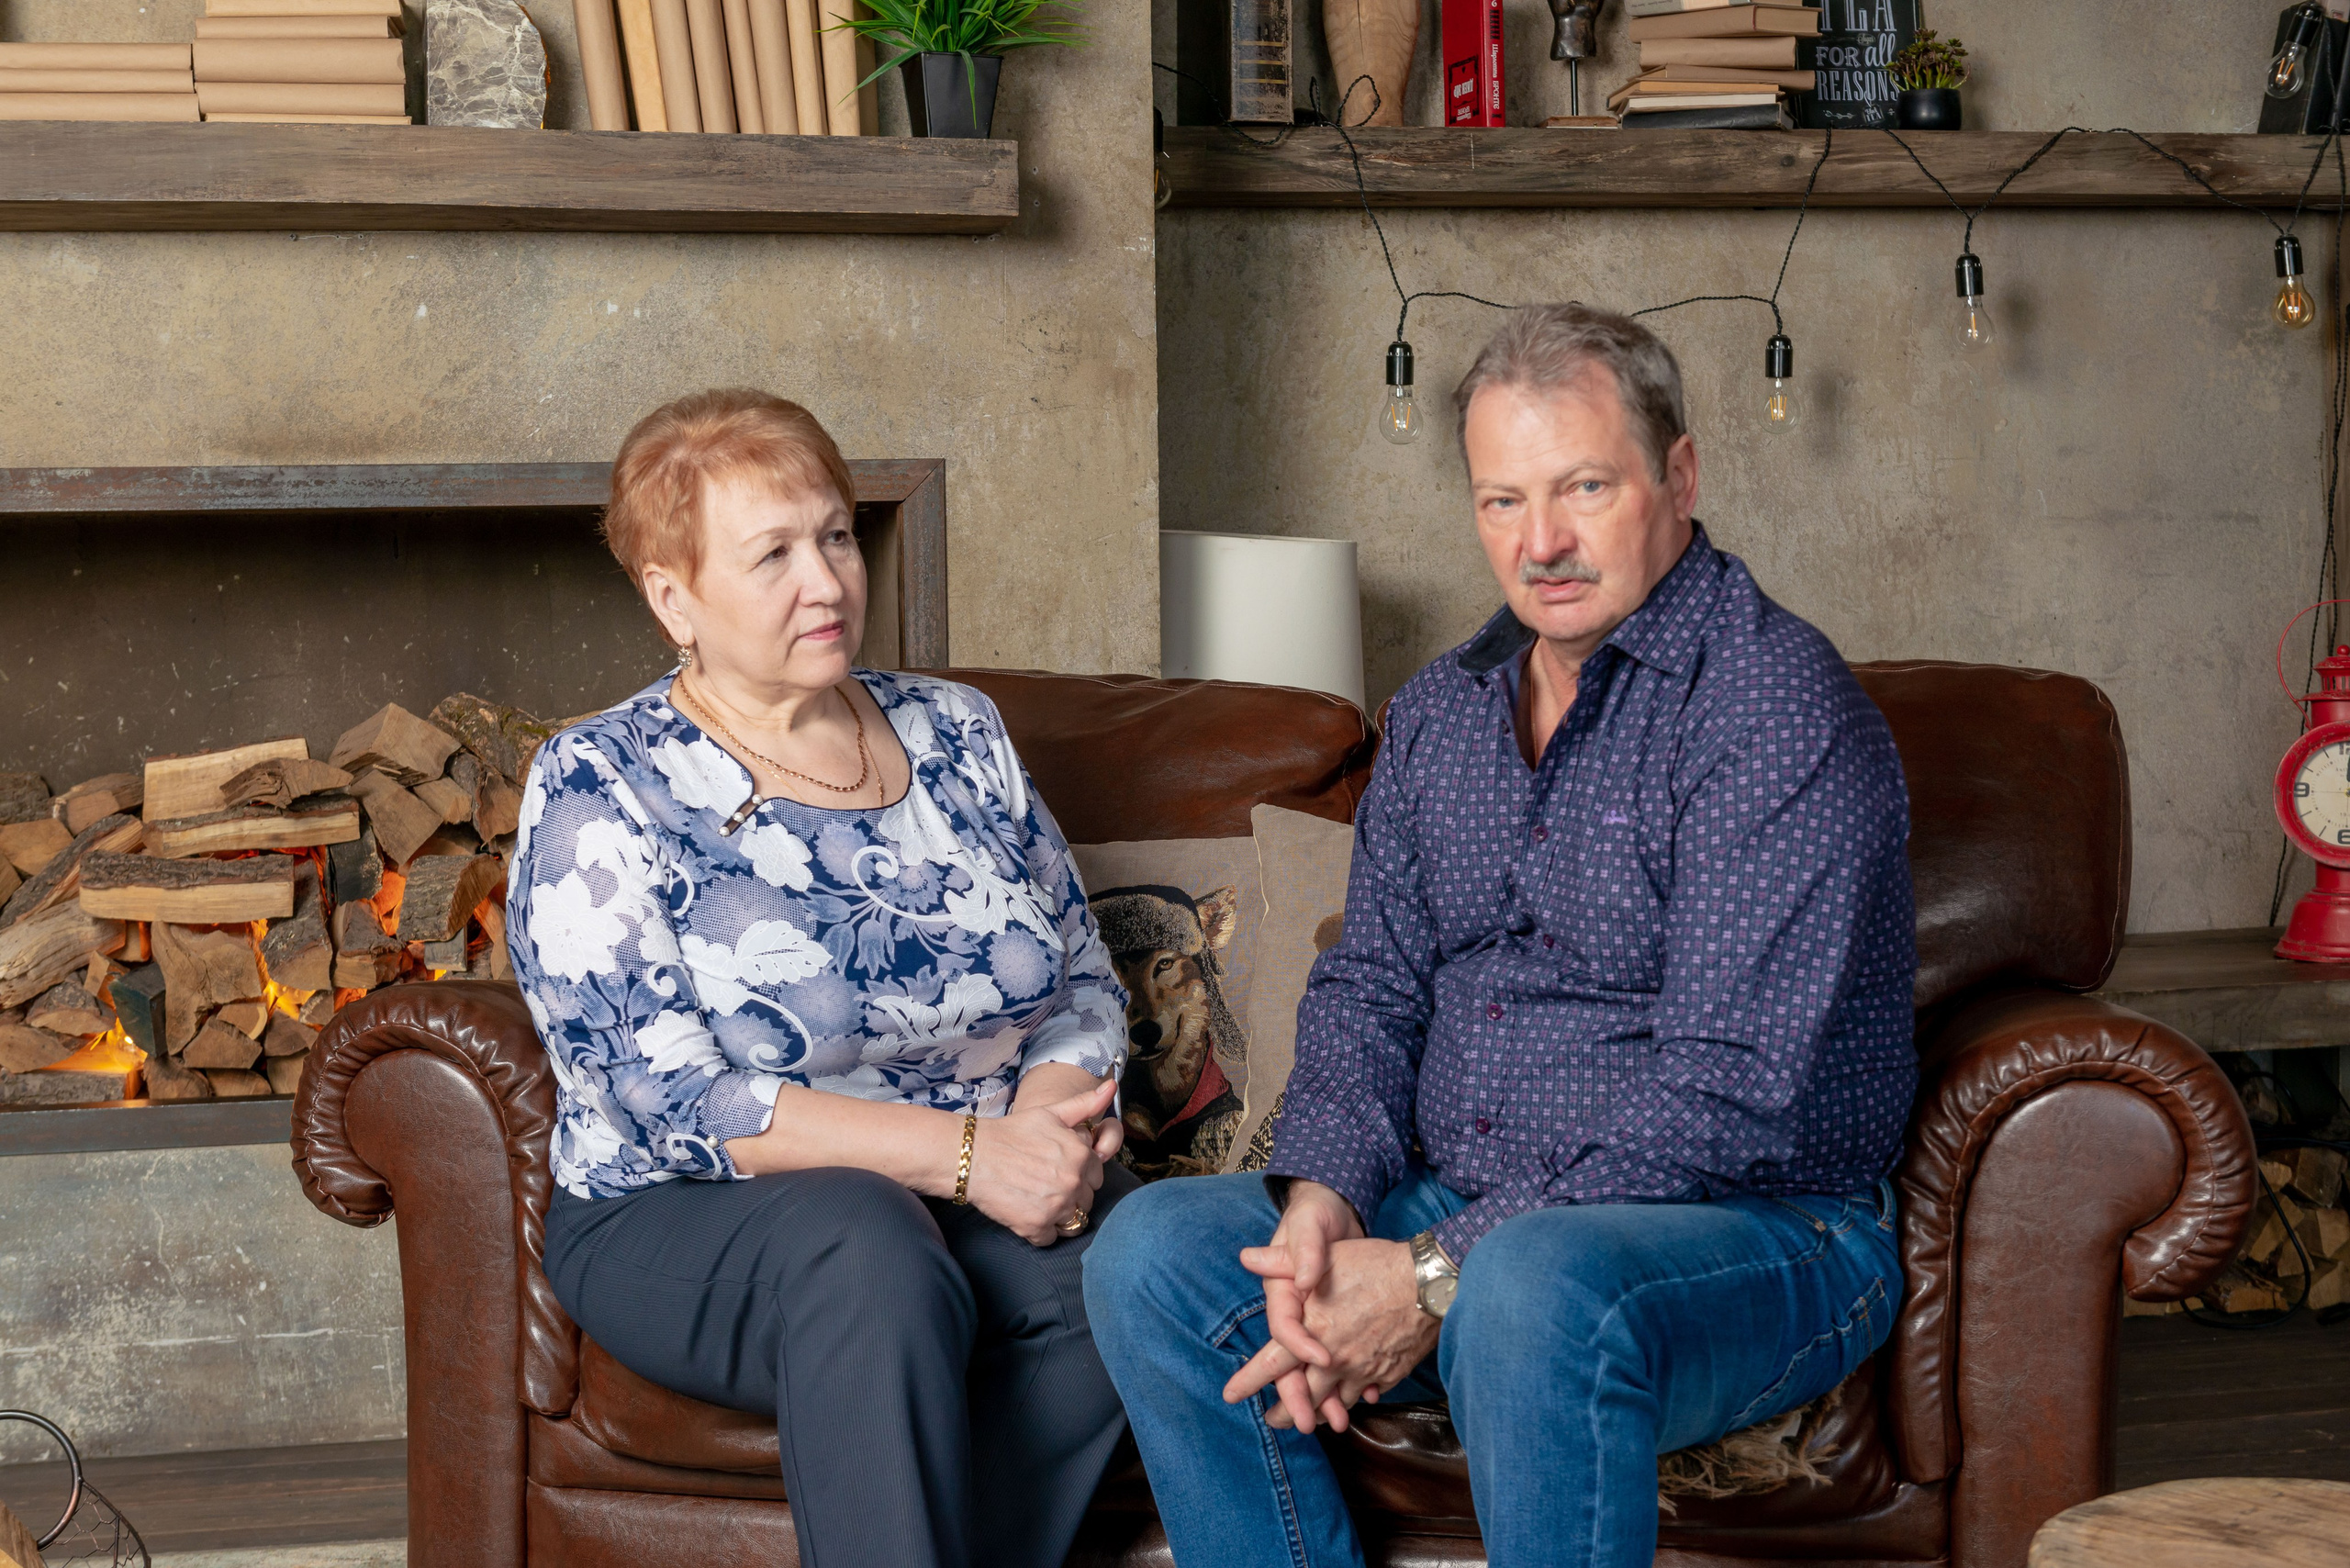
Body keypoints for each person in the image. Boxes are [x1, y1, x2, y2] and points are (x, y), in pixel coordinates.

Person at [1084, 305, 1918, 1568]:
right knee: (1154, 1257)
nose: (1544, 545)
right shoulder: (1440, 717)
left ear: (1679, 476)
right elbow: (1371, 988)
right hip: (1461, 1202)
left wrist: (1427, 1274)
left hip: (1758, 1229)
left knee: (1530, 1294)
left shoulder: (1774, 710)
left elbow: (1729, 1100)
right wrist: (1323, 1206)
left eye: (1586, 487)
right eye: (1501, 501)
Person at [509, 388, 1135, 1568]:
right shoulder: (601, 782)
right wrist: (966, 1156)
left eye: (836, 536)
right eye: (774, 555)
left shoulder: (958, 732)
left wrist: (1050, 1119)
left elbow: (1083, 977)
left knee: (1128, 1265)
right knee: (863, 1242)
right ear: (672, 597)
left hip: (981, 1178)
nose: (827, 582)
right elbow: (673, 1099)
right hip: (687, 1213)